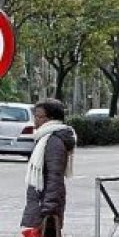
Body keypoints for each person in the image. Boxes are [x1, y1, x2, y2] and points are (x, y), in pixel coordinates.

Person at [20, 99, 76, 237]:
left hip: (45, 207)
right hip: (41, 203)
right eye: (35, 116)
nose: (35, 121)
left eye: (39, 117)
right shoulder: (45, 138)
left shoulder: (54, 141)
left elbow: (55, 177)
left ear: (51, 119)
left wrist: (49, 210)